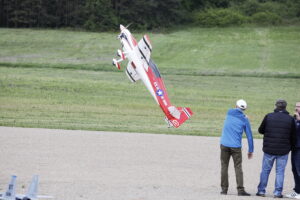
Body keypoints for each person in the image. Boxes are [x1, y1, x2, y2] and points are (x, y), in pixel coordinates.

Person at [256, 99, 296, 198]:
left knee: (265, 170)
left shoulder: (269, 116)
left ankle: (261, 191)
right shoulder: (290, 119)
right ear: (285, 107)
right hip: (283, 150)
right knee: (280, 172)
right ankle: (277, 193)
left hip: (269, 149)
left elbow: (261, 130)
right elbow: (294, 136)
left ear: (276, 106)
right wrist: (290, 147)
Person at [220, 99, 254, 196]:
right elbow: (249, 136)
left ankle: (224, 189)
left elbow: (234, 111)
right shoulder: (244, 119)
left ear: (236, 106)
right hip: (236, 147)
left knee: (224, 166)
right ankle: (240, 190)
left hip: (224, 144)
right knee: (238, 167)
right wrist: (251, 150)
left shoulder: (229, 112)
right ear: (245, 109)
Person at [286, 102, 300, 199]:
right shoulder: (294, 118)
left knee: (299, 170)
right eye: (296, 106)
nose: (296, 108)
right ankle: (297, 191)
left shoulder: (297, 118)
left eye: (298, 106)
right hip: (294, 148)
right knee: (294, 169)